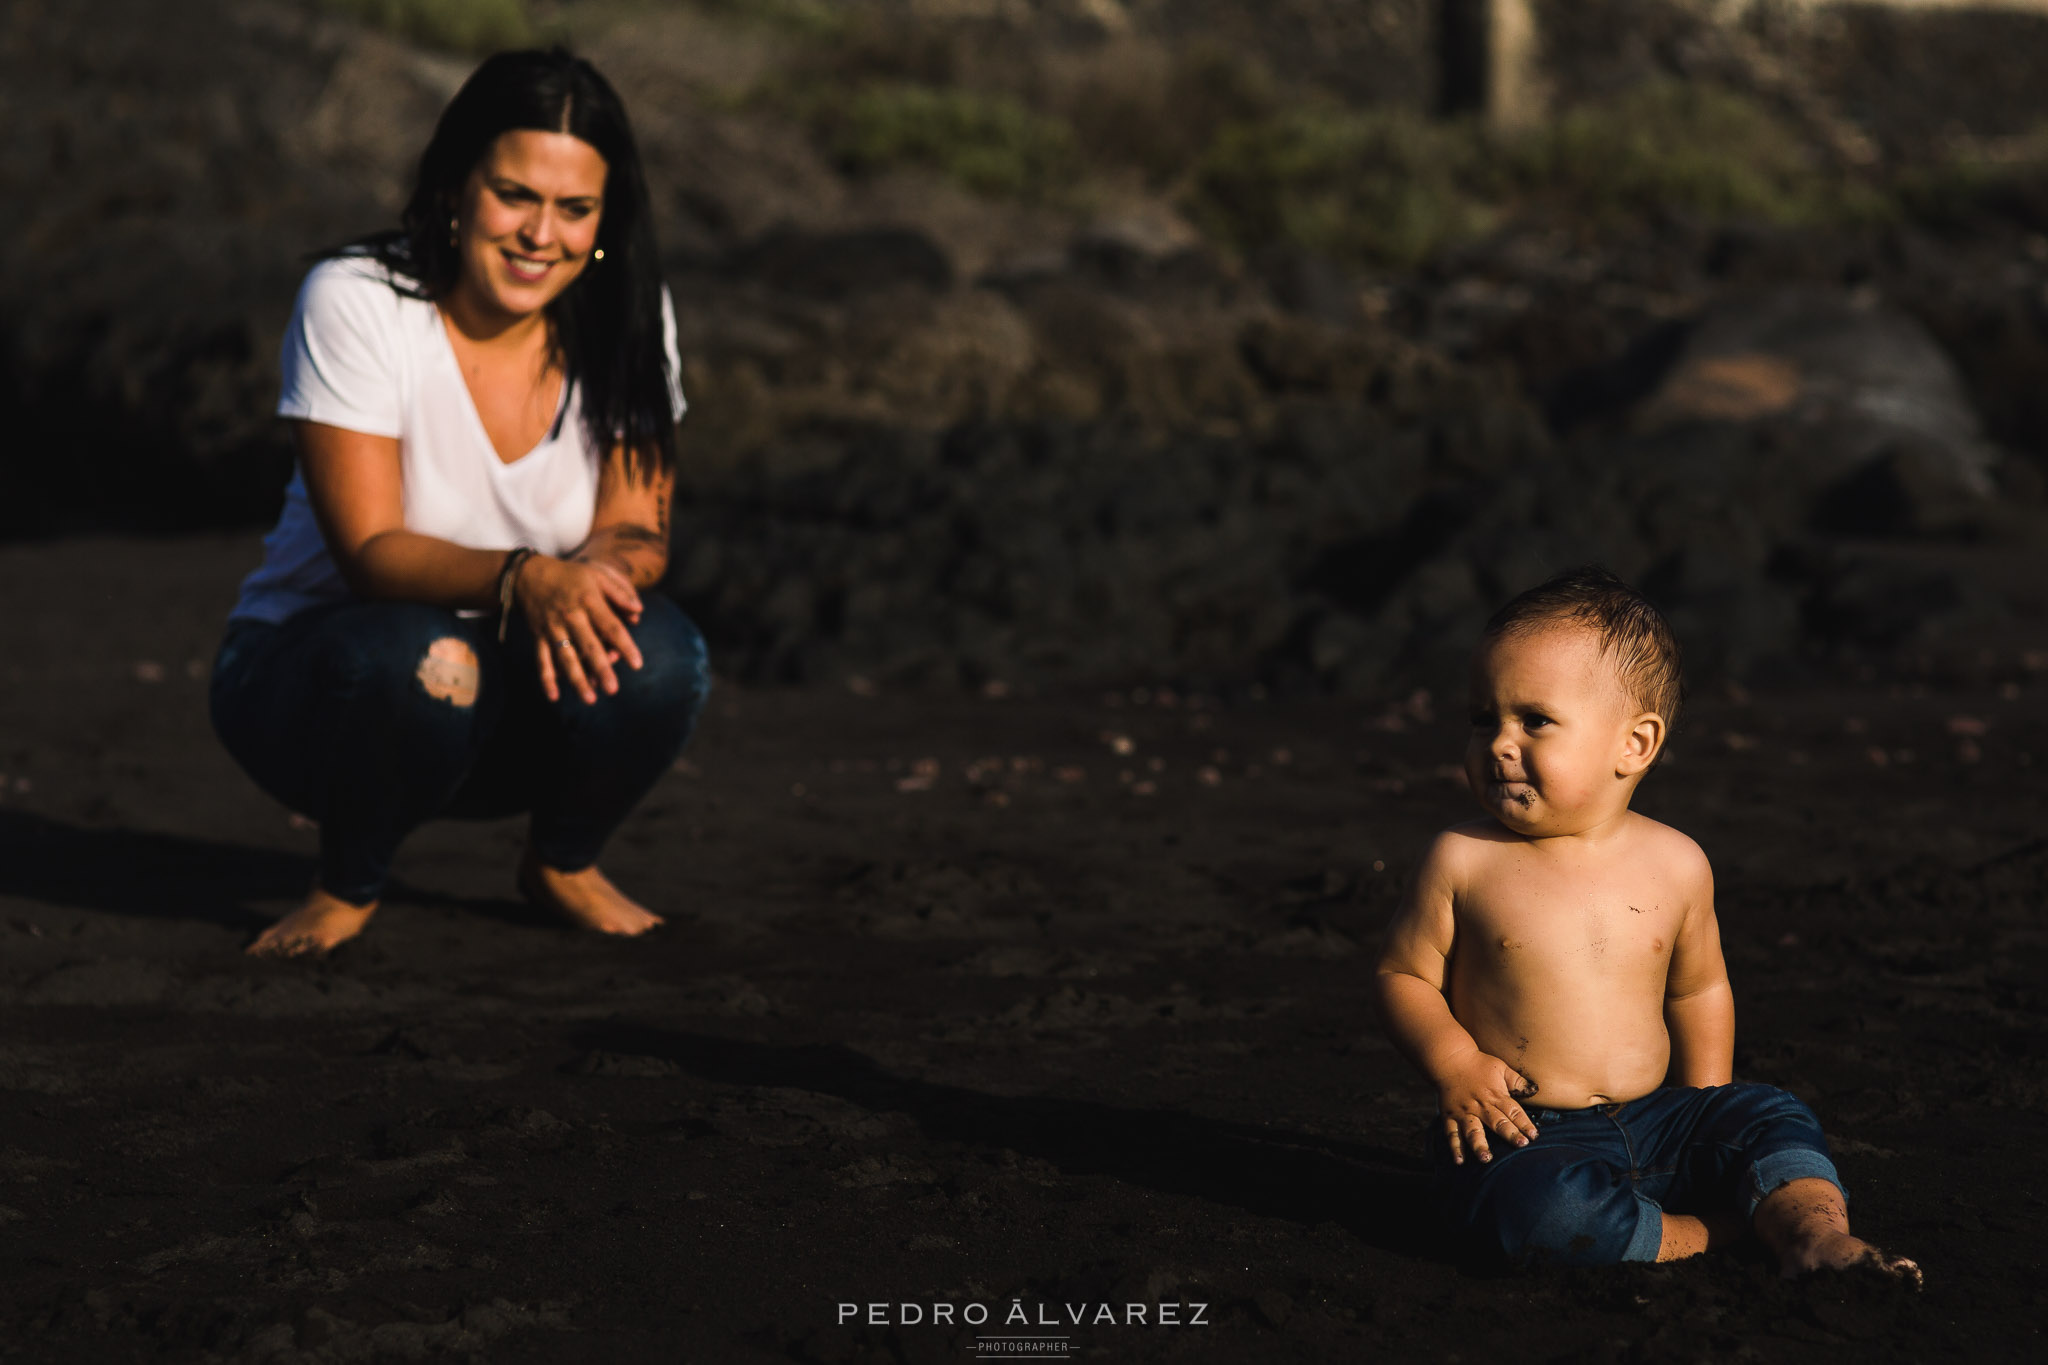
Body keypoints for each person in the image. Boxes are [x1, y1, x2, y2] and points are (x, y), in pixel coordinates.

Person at [211, 48, 709, 957]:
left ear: (606, 217)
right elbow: (369, 550)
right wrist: (527, 577)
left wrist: (589, 580)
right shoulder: (357, 299)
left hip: (512, 692)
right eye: (514, 194)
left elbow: (636, 524)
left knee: (664, 654)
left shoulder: (630, 312)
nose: (540, 234)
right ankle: (349, 881)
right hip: (320, 686)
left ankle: (562, 859)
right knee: (418, 648)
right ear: (454, 186)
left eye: (574, 209)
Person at [1372, 567, 1918, 1281]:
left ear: (1635, 744)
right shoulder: (1464, 857)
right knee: (1534, 1211)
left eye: (1533, 719)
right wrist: (1457, 1063)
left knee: (1771, 1116)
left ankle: (1812, 1229)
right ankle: (1710, 1231)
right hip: (1525, 1131)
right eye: (1484, 719)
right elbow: (1402, 974)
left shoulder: (1677, 861)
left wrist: (1703, 1107)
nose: (1500, 742)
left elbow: (1699, 991)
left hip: (1660, 1117)